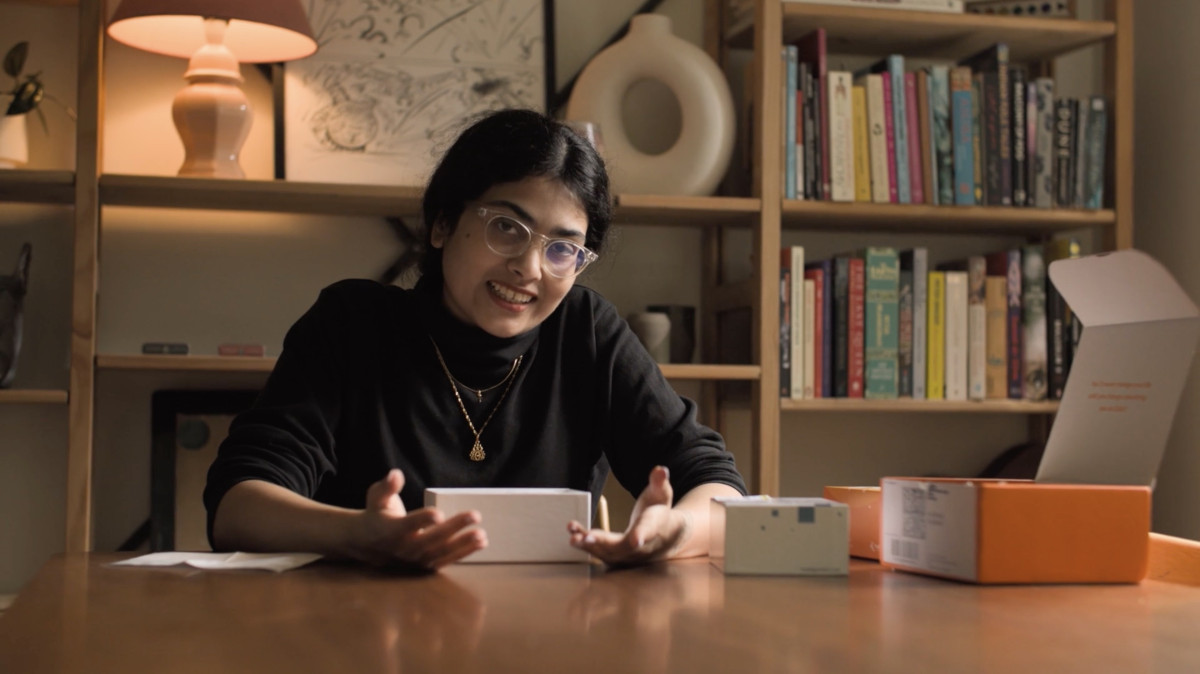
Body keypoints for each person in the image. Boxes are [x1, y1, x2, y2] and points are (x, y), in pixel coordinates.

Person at [204, 108, 746, 570]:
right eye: (506, 227)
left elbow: (718, 487)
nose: (529, 269)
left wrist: (674, 531)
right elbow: (237, 506)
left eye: (564, 249)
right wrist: (359, 534)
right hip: (359, 631)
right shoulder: (352, 324)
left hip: (546, 636)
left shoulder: (585, 331)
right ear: (442, 225)